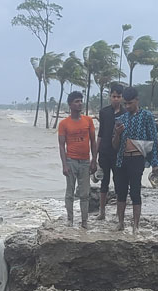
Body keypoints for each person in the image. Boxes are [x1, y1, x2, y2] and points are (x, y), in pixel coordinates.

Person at [110, 86, 158, 233]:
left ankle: (136, 225)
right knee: (120, 192)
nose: (127, 106)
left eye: (130, 103)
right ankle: (120, 222)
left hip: (137, 159)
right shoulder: (121, 119)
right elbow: (114, 145)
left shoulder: (146, 116)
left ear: (137, 101)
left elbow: (154, 139)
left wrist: (155, 162)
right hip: (122, 159)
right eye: (125, 104)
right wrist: (117, 134)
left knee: (135, 192)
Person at [57, 90, 97, 228]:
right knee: (70, 192)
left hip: (85, 161)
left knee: (85, 193)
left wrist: (94, 160)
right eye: (76, 101)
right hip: (71, 160)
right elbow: (61, 146)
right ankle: (70, 219)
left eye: (81, 101)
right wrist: (64, 165)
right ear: (70, 105)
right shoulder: (64, 124)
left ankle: (84, 221)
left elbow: (93, 141)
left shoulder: (88, 121)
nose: (79, 104)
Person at [95, 83, 125, 223]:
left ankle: (119, 215)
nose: (116, 99)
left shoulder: (125, 113)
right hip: (104, 152)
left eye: (118, 97)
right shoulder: (104, 112)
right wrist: (94, 155)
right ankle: (102, 212)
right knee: (104, 182)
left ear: (122, 98)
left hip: (119, 153)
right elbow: (100, 134)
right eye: (113, 96)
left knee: (119, 183)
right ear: (110, 97)